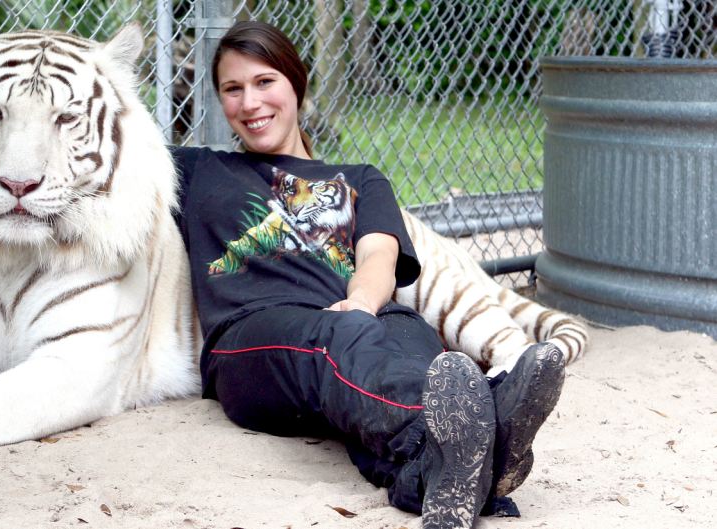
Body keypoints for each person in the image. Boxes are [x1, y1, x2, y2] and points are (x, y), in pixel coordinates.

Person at [170, 20, 565, 529]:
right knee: (349, 340)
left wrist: (360, 303)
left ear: (295, 82)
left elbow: (378, 257)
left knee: (405, 337)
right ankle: (484, 432)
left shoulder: (359, 179)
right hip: (255, 339)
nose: (250, 103)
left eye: (264, 82)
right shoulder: (199, 169)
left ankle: (438, 476)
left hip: (366, 322)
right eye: (232, 89)